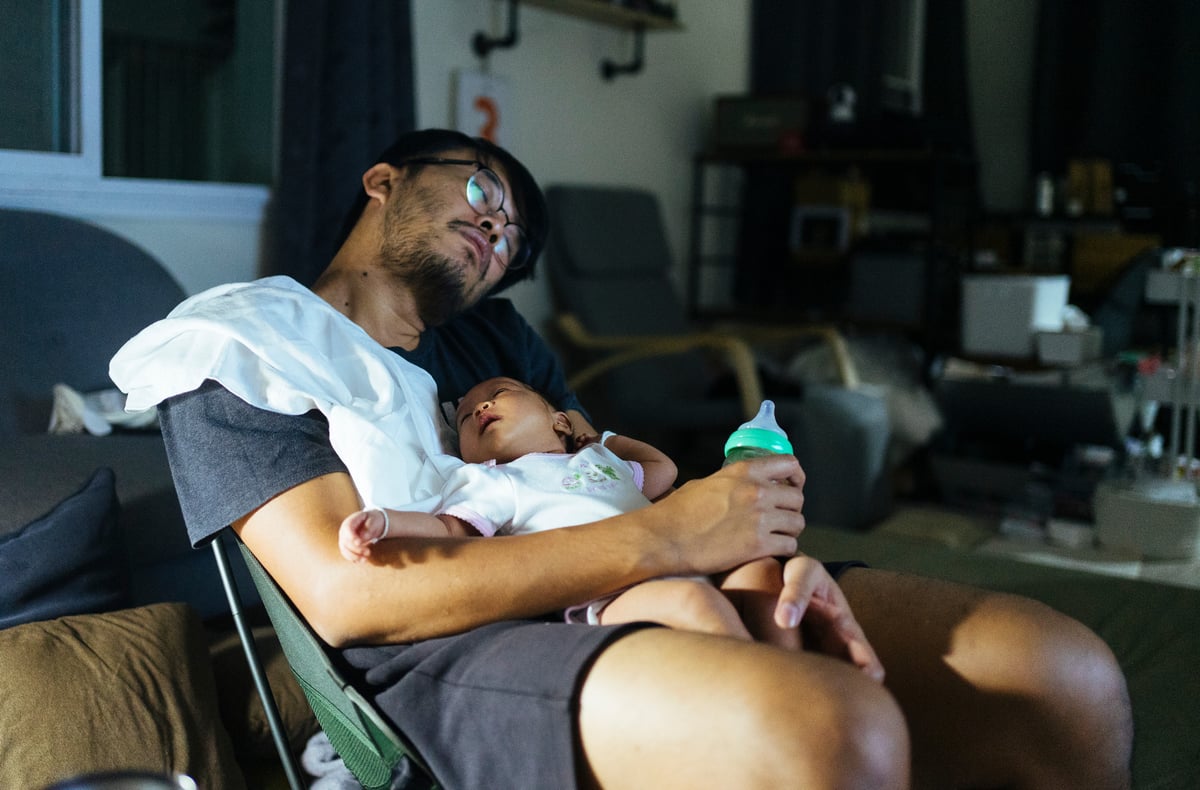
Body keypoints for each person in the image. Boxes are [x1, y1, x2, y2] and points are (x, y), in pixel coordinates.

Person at [111, 128, 1132, 789]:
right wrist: (673, 533)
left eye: (510, 233)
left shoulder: (499, 345)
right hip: (445, 648)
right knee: (836, 734)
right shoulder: (245, 340)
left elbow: (600, 488)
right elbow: (346, 599)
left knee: (1062, 676)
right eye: (482, 190)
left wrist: (757, 562)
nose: (497, 225)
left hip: (643, 576)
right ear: (383, 181)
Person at [339, 375, 806, 650]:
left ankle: (796, 678)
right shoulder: (496, 481)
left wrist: (599, 439)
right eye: (464, 418)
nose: (479, 406)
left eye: (498, 393)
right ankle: (757, 690)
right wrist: (388, 521)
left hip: (680, 558)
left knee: (763, 576)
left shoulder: (600, 460)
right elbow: (448, 527)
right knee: (696, 605)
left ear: (559, 421)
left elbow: (662, 471)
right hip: (601, 593)